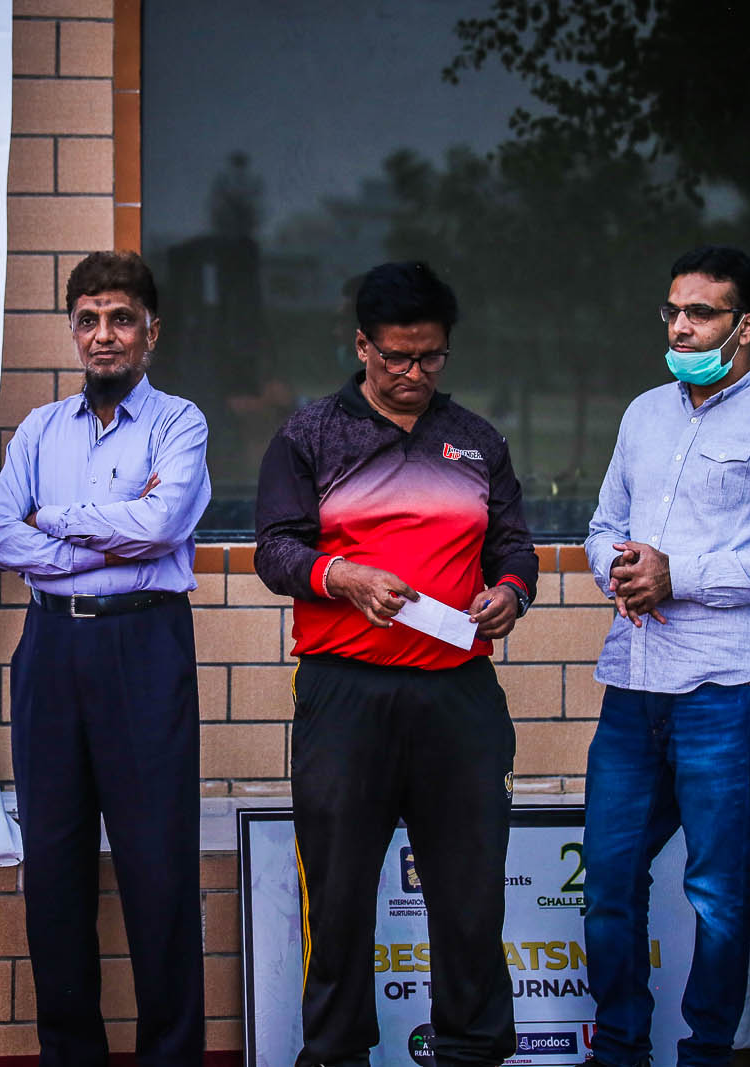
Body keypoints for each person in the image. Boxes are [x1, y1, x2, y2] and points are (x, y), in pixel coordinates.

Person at [254, 260, 537, 1067]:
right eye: (396, 357)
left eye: (431, 356)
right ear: (362, 346)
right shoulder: (310, 436)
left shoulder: (478, 439)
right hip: (347, 694)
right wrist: (341, 575)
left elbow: (513, 545)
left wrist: (511, 592)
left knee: (471, 895)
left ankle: (472, 1050)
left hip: (459, 696)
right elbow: (274, 550)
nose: (414, 373)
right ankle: (336, 1053)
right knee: (338, 894)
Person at [581, 245, 750, 1067]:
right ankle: (619, 1049)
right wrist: (618, 567)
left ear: (745, 325)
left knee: (717, 890)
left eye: (701, 312)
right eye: (673, 310)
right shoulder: (643, 414)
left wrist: (679, 574)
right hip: (634, 679)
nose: (681, 326)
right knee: (607, 880)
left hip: (725, 687)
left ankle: (705, 1055)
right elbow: (601, 526)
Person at [0, 251, 211, 1067]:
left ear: (151, 331)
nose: (103, 335)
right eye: (88, 319)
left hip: (144, 646)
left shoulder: (179, 423)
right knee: (54, 866)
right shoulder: (39, 430)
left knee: (158, 867)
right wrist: (105, 533)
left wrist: (52, 521)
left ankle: (171, 1057)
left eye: (120, 319)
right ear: (73, 330)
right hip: (50, 649)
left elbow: (161, 524)